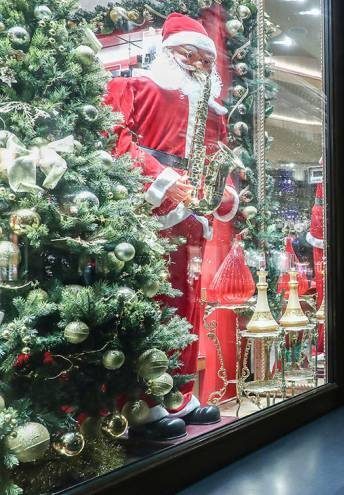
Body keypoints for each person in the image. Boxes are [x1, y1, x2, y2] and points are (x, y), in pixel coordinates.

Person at [105, 13, 240, 439]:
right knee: (151, 302)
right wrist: (163, 180)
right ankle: (143, 402)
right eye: (188, 53)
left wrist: (223, 194)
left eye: (206, 59)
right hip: (147, 213)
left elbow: (219, 160)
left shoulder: (212, 113)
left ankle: (180, 393)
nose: (198, 64)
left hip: (193, 218)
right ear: (167, 51)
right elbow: (117, 141)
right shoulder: (133, 88)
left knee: (189, 305)